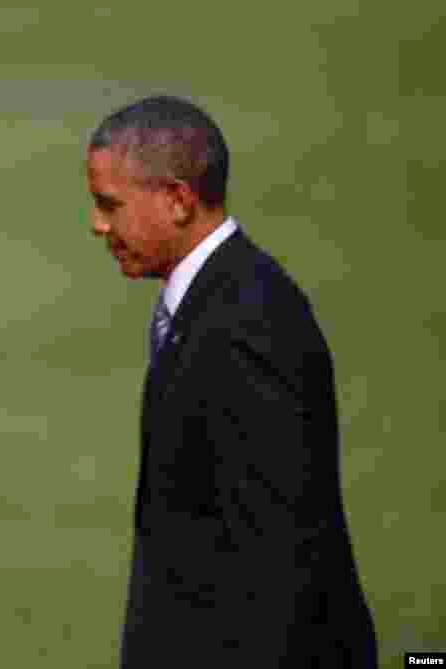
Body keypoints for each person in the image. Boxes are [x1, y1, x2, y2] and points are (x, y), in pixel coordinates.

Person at [86, 96, 377, 667]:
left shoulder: (246, 323)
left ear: (176, 200)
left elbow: (276, 552)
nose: (98, 225)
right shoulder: (217, 299)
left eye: (109, 205)